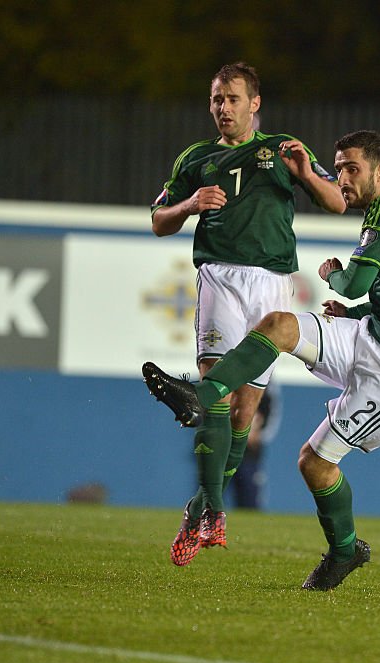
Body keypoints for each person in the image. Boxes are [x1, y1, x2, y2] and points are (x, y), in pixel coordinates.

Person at [143, 130, 380, 590]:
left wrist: (335, 277)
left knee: (314, 462)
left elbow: (354, 282)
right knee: (279, 325)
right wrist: (356, 312)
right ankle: (199, 395)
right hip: (370, 333)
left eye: (352, 169)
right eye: (340, 167)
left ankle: (345, 550)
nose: (344, 177)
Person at [148, 62, 345, 566]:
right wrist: (190, 203)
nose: (223, 107)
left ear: (254, 103)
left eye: (233, 98)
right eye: (217, 99)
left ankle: (200, 507)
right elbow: (158, 220)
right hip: (219, 276)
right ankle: (213, 511)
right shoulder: (196, 157)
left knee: (244, 411)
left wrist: (305, 174)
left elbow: (337, 201)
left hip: (272, 284)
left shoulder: (282, 149)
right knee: (216, 385)